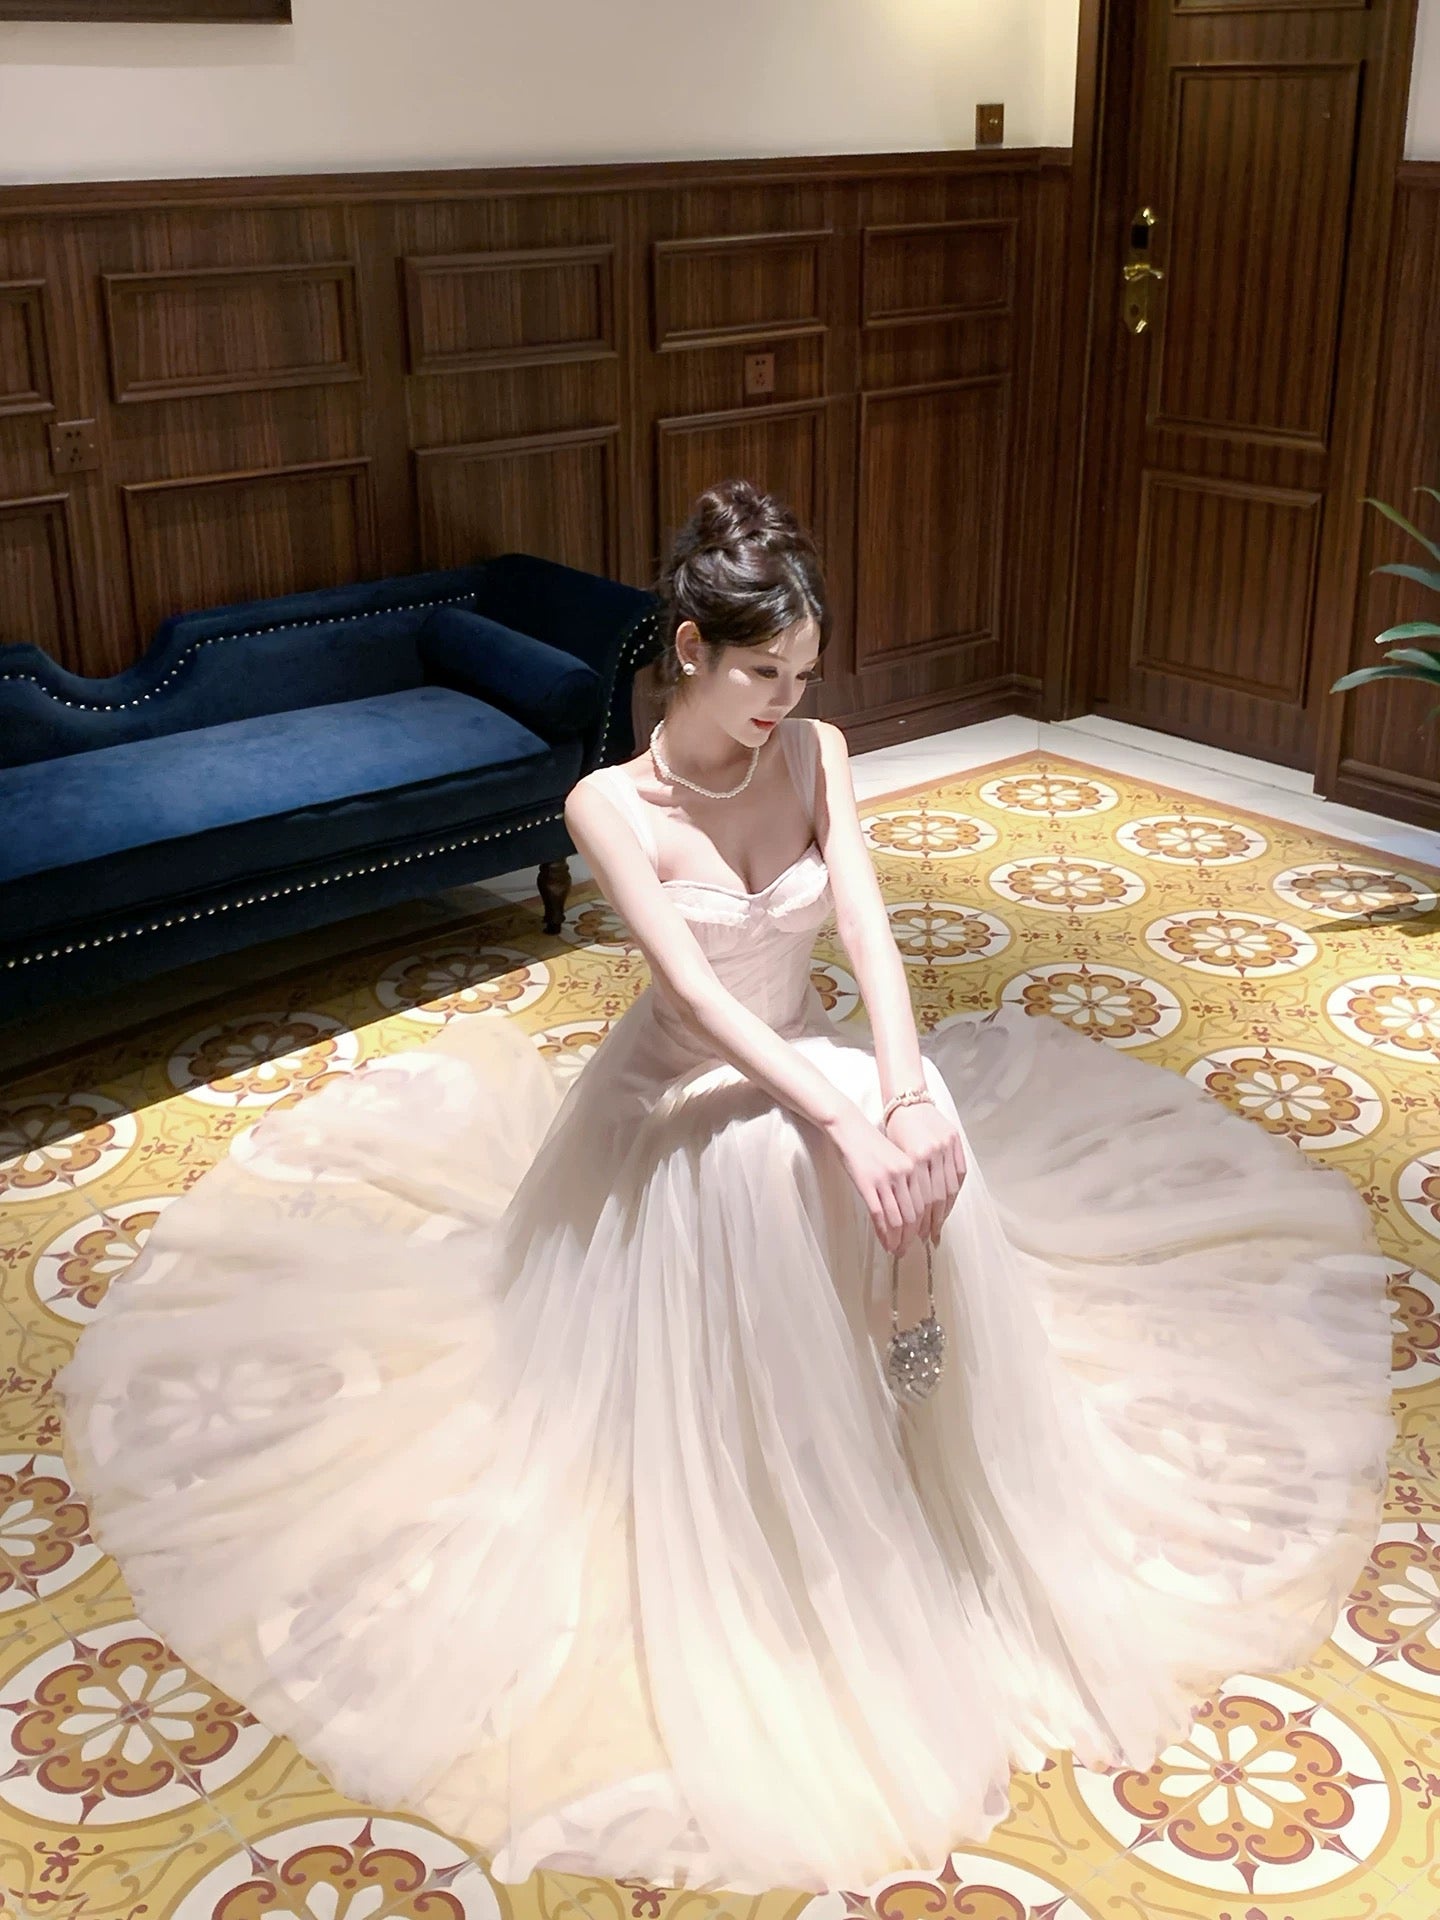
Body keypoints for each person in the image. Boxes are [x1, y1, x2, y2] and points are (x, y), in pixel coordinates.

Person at [57, 481, 1395, 1899]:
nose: (786, 704)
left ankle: (909, 1416)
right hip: (678, 1090)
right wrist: (838, 1118)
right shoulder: (605, 803)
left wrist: (896, 1090)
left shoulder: (815, 752)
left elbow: (868, 930)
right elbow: (695, 999)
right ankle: (788, 1475)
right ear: (689, 649)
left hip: (804, 1049)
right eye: (765, 675)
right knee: (778, 1157)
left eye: (804, 677)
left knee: (923, 1119)